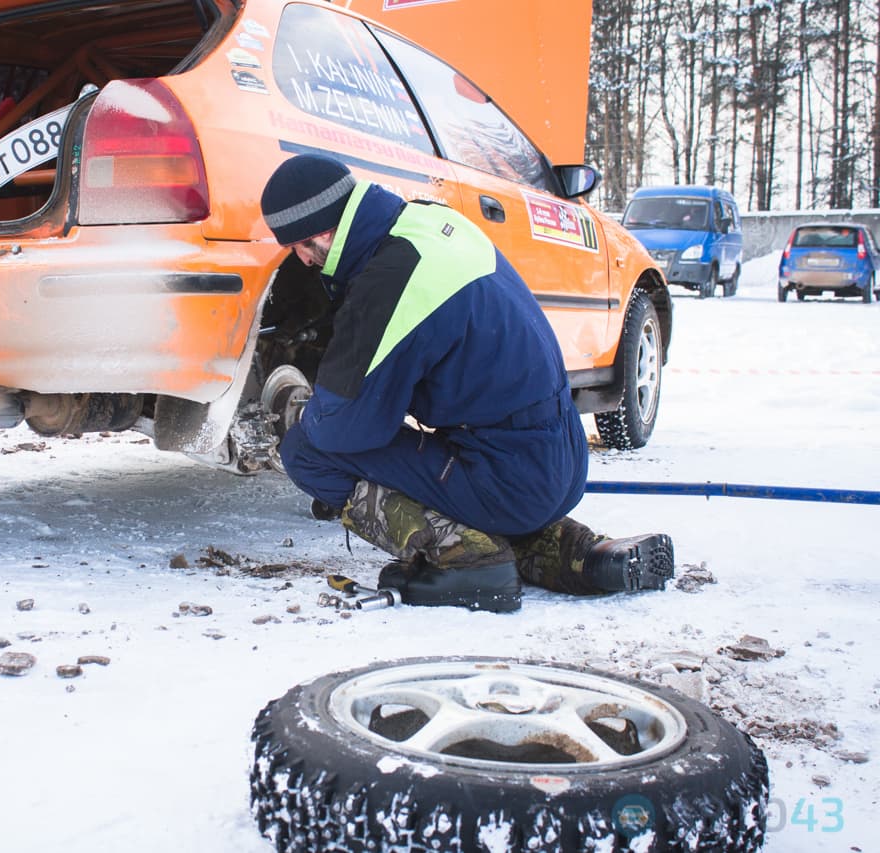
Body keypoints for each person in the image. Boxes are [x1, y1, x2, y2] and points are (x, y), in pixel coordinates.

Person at [259, 154, 674, 612]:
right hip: (557, 457)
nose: (301, 259)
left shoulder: (389, 281)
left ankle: (462, 561)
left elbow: (345, 429)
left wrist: (303, 411)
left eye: (298, 246)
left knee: (307, 452)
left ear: (321, 232)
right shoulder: (426, 222)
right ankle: (584, 557)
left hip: (504, 473)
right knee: (484, 488)